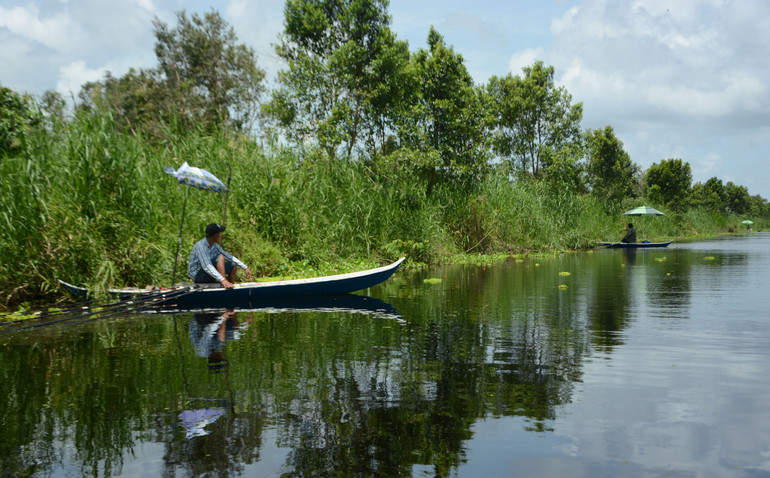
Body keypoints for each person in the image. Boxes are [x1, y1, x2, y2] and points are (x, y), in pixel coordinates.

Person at [188, 223, 252, 288]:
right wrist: (223, 280)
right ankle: (224, 285)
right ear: (214, 235)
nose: (220, 236)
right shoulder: (201, 246)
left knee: (233, 264)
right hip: (197, 276)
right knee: (220, 257)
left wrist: (245, 267)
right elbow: (206, 266)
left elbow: (228, 256)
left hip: (208, 274)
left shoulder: (215, 245)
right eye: (218, 234)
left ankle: (230, 286)